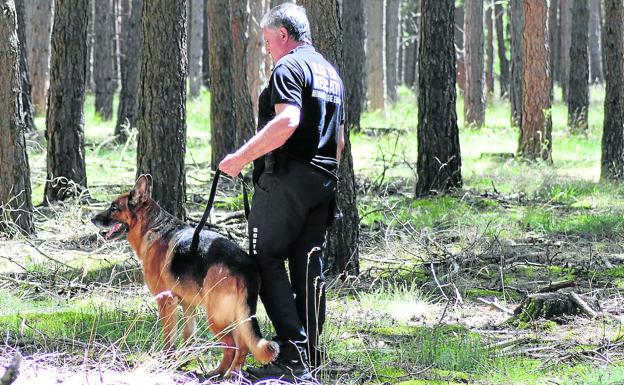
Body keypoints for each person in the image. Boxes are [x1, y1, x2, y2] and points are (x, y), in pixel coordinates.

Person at [218, 3, 345, 381]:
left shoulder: (289, 66)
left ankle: (291, 355)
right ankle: (310, 353)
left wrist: (241, 158)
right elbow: (338, 140)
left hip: (288, 178)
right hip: (324, 180)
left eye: (267, 40)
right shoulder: (329, 72)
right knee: (308, 264)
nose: (267, 48)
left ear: (284, 36)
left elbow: (287, 120)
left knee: (264, 256)